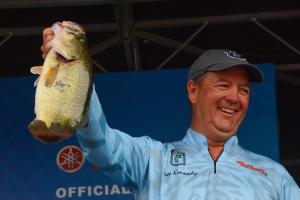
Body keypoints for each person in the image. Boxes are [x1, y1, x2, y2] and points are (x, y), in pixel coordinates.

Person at [42, 27, 300, 200]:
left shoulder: (273, 175)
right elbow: (101, 144)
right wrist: (73, 72)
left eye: (243, 90)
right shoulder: (151, 159)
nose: (234, 97)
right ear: (193, 90)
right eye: (223, 85)